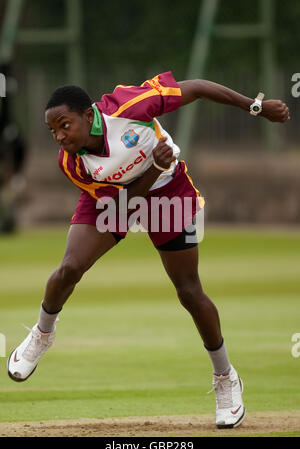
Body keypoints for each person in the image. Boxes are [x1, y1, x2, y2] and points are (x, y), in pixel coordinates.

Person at [7, 71, 289, 429]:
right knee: (69, 269)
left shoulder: (128, 106)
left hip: (170, 191)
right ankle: (42, 334)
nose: (60, 137)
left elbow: (198, 88)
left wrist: (255, 107)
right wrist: (153, 166)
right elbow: (123, 210)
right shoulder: (73, 163)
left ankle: (226, 378)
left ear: (90, 115)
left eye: (65, 125)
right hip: (118, 197)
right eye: (53, 132)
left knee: (189, 291)